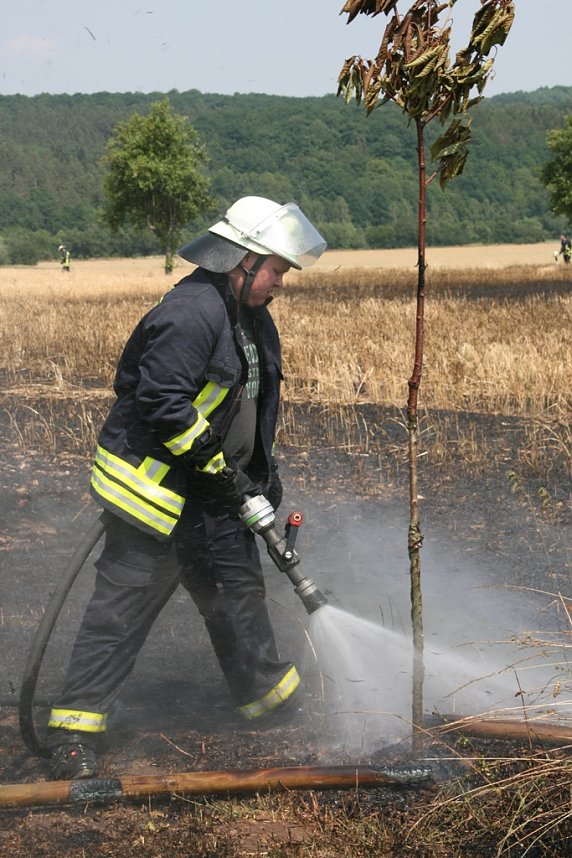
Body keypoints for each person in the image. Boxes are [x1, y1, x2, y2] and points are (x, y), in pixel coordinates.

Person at [45, 196, 327, 780]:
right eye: (275, 268)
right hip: (156, 497)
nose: (280, 281)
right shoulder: (192, 311)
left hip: (216, 495)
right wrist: (226, 476)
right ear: (240, 259)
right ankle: (73, 732)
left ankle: (269, 705)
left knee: (238, 598)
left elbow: (250, 406)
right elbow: (164, 404)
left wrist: (258, 482)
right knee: (121, 612)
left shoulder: (252, 317)